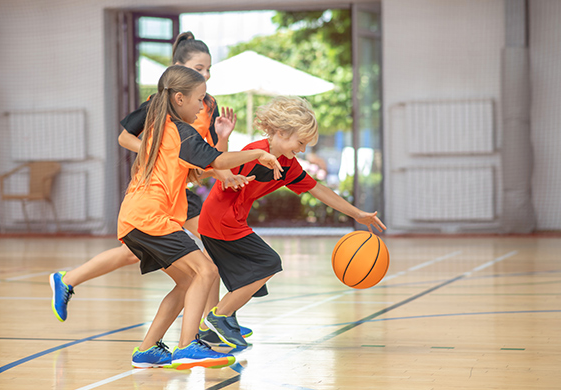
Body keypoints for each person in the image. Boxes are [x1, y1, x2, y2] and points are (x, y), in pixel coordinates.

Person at [49, 32, 253, 339]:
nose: (206, 75)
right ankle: (212, 323)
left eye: (209, 69)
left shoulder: (207, 104)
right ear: (178, 71)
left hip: (182, 187)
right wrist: (157, 150)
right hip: (159, 190)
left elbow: (212, 156)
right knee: (207, 256)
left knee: (136, 253)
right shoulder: (158, 105)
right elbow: (124, 138)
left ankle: (68, 280)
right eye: (199, 68)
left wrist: (225, 162)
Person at [114, 65, 282, 369]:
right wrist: (257, 154)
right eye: (199, 99)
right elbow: (216, 160)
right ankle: (187, 345)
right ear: (179, 98)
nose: (202, 107)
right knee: (206, 269)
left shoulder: (160, 128)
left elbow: (203, 168)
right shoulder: (180, 131)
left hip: (136, 219)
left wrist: (223, 147)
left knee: (187, 281)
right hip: (150, 217)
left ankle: (148, 349)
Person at [197, 96, 387, 348]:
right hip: (221, 220)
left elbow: (318, 189)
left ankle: (211, 327)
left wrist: (356, 214)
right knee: (268, 262)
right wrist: (223, 141)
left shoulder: (288, 165)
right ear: (282, 132)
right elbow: (221, 168)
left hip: (229, 221)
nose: (303, 150)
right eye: (301, 142)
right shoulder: (254, 151)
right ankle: (218, 317)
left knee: (236, 271)